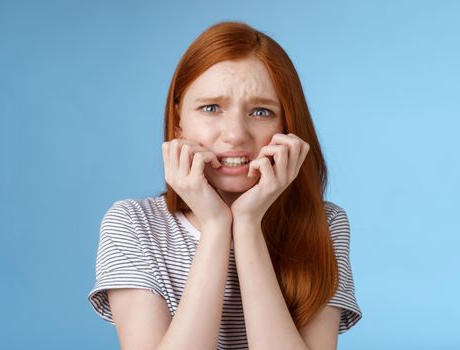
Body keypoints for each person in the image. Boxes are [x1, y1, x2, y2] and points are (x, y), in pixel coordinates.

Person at [88, 20, 362, 350]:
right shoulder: (132, 225)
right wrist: (217, 226)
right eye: (211, 108)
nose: (235, 134)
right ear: (178, 123)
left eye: (261, 111)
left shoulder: (325, 225)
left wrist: (247, 224)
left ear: (288, 125)